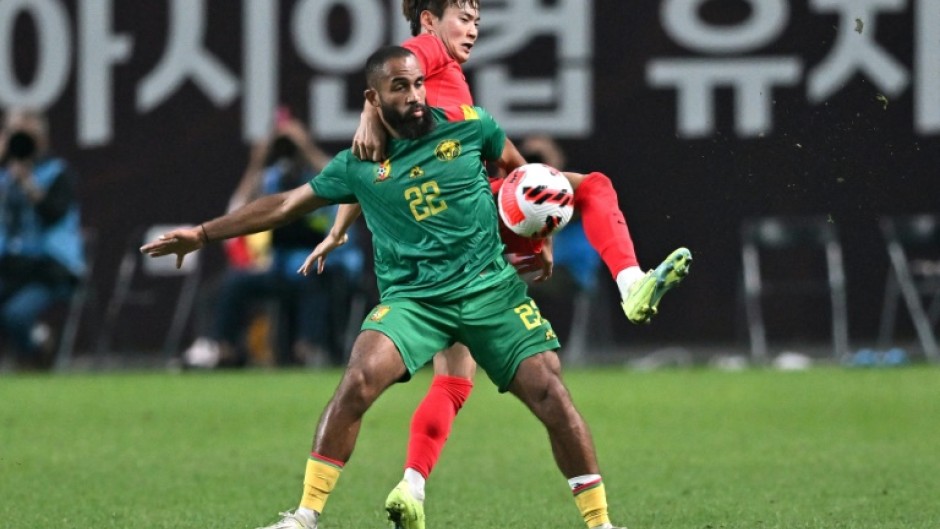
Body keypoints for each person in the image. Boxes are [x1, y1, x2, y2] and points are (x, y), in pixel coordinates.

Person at [141, 46, 627, 529]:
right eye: (400, 87)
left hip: (490, 293)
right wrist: (203, 234)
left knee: (552, 397)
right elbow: (287, 203)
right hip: (413, 302)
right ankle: (305, 516)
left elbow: (521, 175)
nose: (416, 95)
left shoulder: (471, 125)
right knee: (358, 380)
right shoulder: (359, 165)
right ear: (373, 98)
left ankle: (601, 525)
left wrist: (537, 234)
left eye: (417, 83)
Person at [302, 2, 691, 525]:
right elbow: (378, 115)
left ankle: (412, 486)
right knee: (595, 187)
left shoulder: (441, 81)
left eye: (478, 21)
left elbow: (379, 166)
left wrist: (340, 227)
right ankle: (630, 283)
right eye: (463, 16)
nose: (473, 29)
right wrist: (367, 113)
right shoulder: (424, 56)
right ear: (426, 20)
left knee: (455, 380)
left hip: (450, 234)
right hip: (469, 214)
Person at [183, 111, 363, 368]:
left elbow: (349, 182)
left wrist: (305, 146)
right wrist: (257, 162)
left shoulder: (321, 175)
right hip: (281, 267)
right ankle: (220, 347)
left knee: (314, 281)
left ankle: (309, 348)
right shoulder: (274, 178)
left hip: (327, 266)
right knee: (235, 282)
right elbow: (237, 210)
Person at [0, 108, 85, 370]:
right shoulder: (5, 175)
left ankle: (38, 347)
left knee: (16, 315)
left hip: (50, 268)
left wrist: (28, 184)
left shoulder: (57, 172)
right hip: (12, 265)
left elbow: (53, 213)